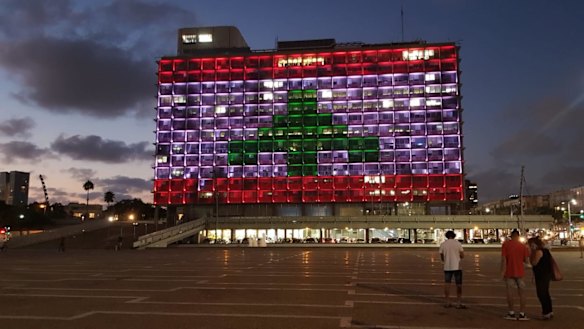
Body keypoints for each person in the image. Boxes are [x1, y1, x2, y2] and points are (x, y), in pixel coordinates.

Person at [501, 229, 530, 320]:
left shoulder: (505, 245)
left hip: (509, 272)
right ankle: (522, 313)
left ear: (511, 236)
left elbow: (504, 259)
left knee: (510, 292)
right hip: (520, 272)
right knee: (522, 293)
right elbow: (527, 261)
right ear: (518, 236)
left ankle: (511, 313)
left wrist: (502, 272)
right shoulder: (523, 246)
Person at [528, 237, 554, 320]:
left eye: (531, 244)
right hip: (546, 274)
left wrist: (531, 253)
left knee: (541, 293)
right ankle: (549, 311)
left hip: (542, 275)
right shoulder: (545, 250)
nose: (530, 246)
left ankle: (546, 312)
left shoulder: (539, 252)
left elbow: (534, 263)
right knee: (545, 293)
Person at [439, 230, 465, 309]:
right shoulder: (458, 244)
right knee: (458, 285)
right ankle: (458, 302)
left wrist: (445, 260)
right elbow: (462, 255)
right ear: (454, 236)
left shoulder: (443, 244)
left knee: (447, 284)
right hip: (457, 266)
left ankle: (447, 302)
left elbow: (442, 255)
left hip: (447, 266)